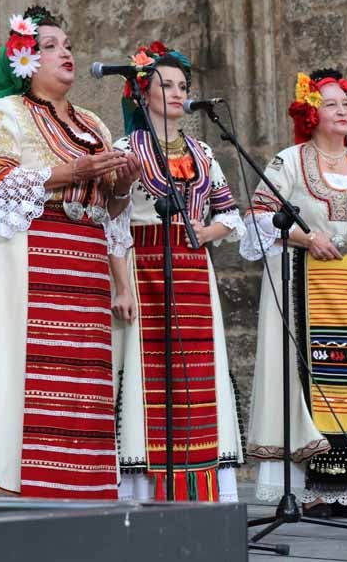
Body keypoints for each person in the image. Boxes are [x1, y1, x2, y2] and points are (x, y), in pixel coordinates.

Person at [0, 6, 140, 498]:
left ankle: (85, 494)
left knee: (84, 383)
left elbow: (112, 212)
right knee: (35, 379)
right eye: (50, 46)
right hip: (34, 261)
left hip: (84, 267)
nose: (66, 52)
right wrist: (70, 174)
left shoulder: (94, 124)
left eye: (68, 44)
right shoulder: (5, 114)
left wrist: (120, 185)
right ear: (25, 63)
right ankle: (28, 497)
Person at [240, 68, 347, 518]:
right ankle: (312, 487)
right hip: (308, 287)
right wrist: (306, 237)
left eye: (346, 103)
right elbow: (260, 217)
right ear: (310, 113)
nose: (342, 110)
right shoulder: (289, 161)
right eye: (330, 103)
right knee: (313, 383)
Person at [109, 41, 246, 502]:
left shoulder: (203, 150)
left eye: (182, 86)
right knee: (149, 376)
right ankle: (145, 491)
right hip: (144, 267)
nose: (174, 92)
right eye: (164, 85)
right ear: (142, 93)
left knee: (197, 376)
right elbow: (114, 221)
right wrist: (121, 286)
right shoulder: (127, 147)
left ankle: (203, 483)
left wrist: (205, 235)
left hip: (192, 271)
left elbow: (231, 214)